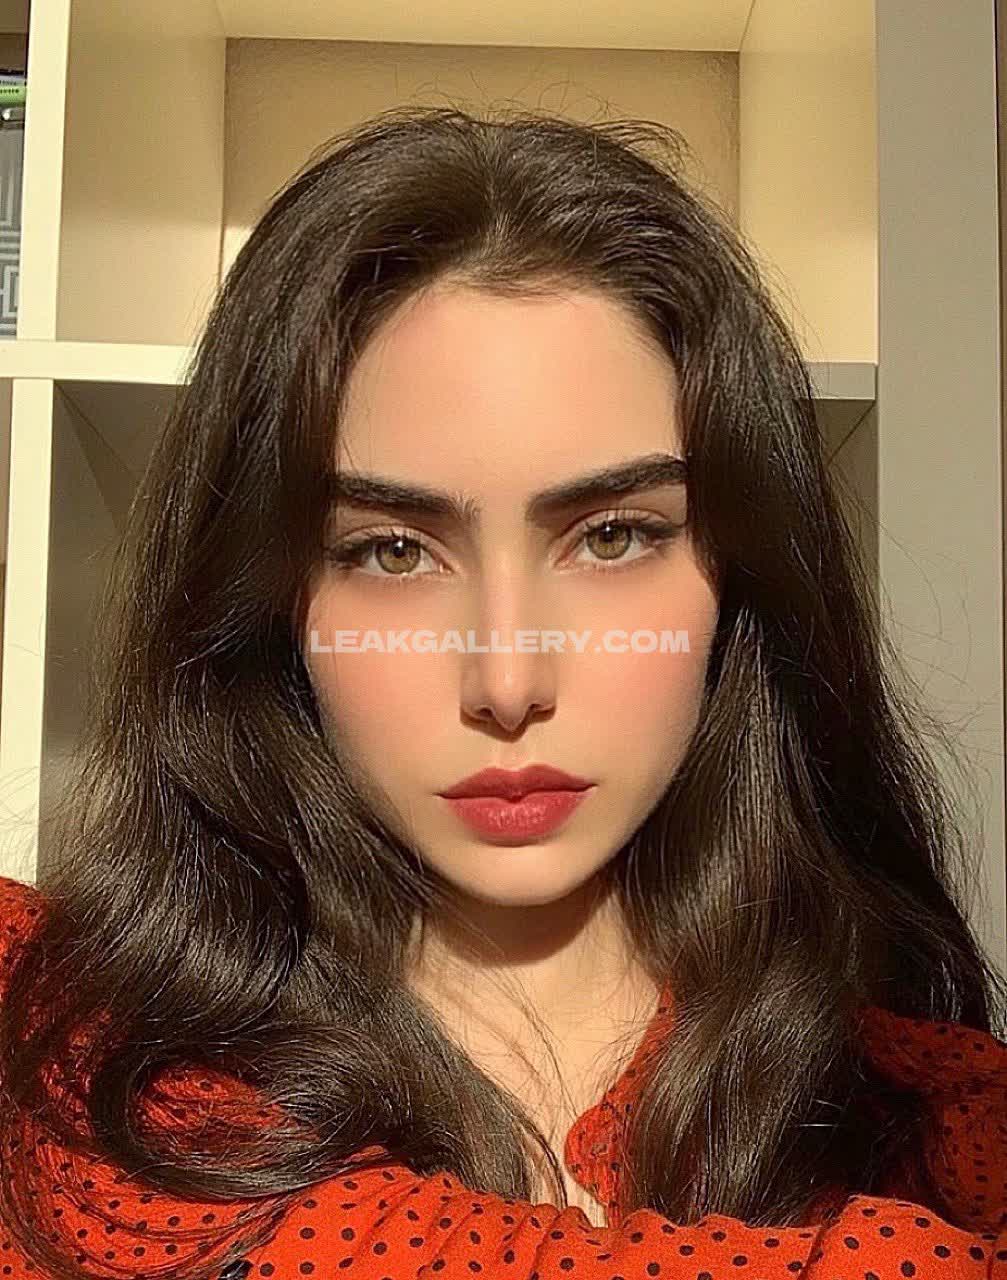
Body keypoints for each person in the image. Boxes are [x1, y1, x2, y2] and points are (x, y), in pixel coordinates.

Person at [0, 105, 1004, 1280]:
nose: (507, 682)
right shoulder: (51, 1049)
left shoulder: (934, 1128)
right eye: (389, 549)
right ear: (269, 602)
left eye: (614, 534)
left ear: (738, 579)